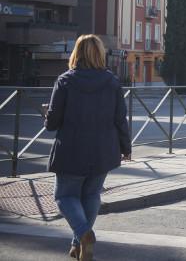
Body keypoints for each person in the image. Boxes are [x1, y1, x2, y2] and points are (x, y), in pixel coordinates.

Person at [44, 34, 131, 260]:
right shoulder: (112, 81)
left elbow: (52, 122)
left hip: (72, 149)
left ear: (77, 53)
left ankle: (83, 234)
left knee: (64, 195)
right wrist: (126, 146)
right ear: (100, 54)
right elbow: (121, 118)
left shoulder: (65, 80)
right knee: (92, 194)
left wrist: (48, 115)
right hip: (103, 150)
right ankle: (79, 243)